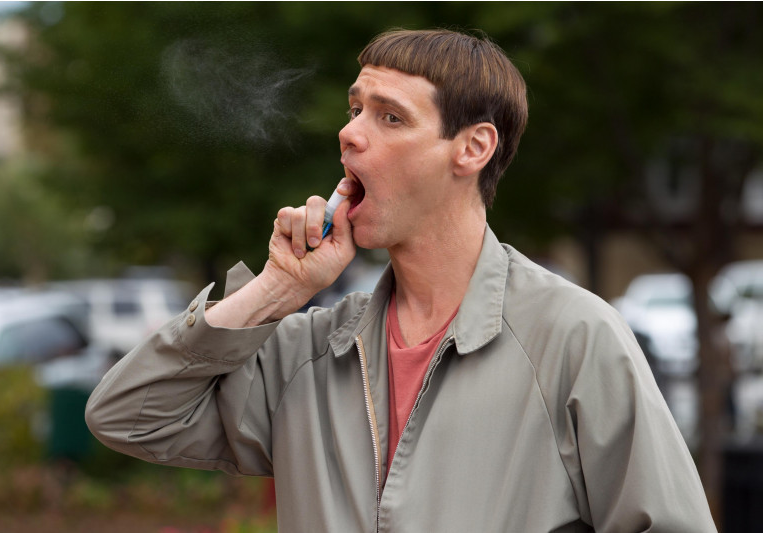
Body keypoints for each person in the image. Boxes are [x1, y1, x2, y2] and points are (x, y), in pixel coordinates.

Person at [85, 29, 717, 532]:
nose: (348, 133)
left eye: (390, 117)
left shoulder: (572, 337)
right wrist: (276, 290)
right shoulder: (308, 352)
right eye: (355, 109)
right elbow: (128, 416)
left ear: (472, 149)